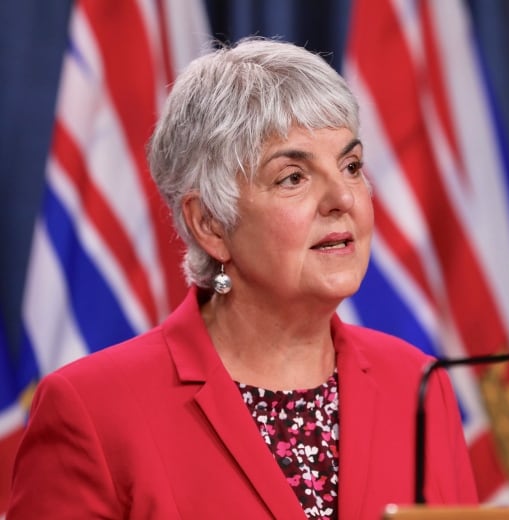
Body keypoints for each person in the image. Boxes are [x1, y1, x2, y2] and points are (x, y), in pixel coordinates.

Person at [8, 38, 477, 519]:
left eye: (351, 166)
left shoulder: (418, 384)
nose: (343, 198)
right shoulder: (92, 410)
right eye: (292, 177)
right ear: (210, 223)